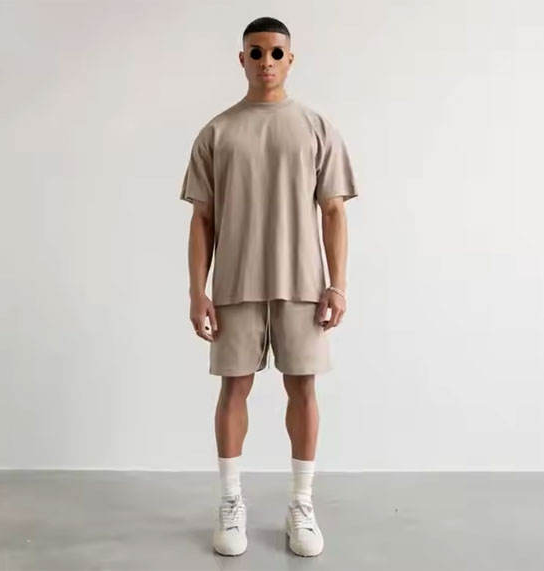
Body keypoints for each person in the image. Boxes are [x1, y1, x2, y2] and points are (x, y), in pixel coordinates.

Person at [180, 16, 358, 557]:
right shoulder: (217, 132)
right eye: (256, 52)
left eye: (276, 53)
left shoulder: (315, 127)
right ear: (242, 59)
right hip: (235, 285)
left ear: (290, 58)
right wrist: (197, 291)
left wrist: (337, 285)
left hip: (302, 284)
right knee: (233, 389)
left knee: (302, 388)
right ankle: (230, 502)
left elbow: (334, 211)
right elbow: (202, 219)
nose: (266, 62)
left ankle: (301, 504)